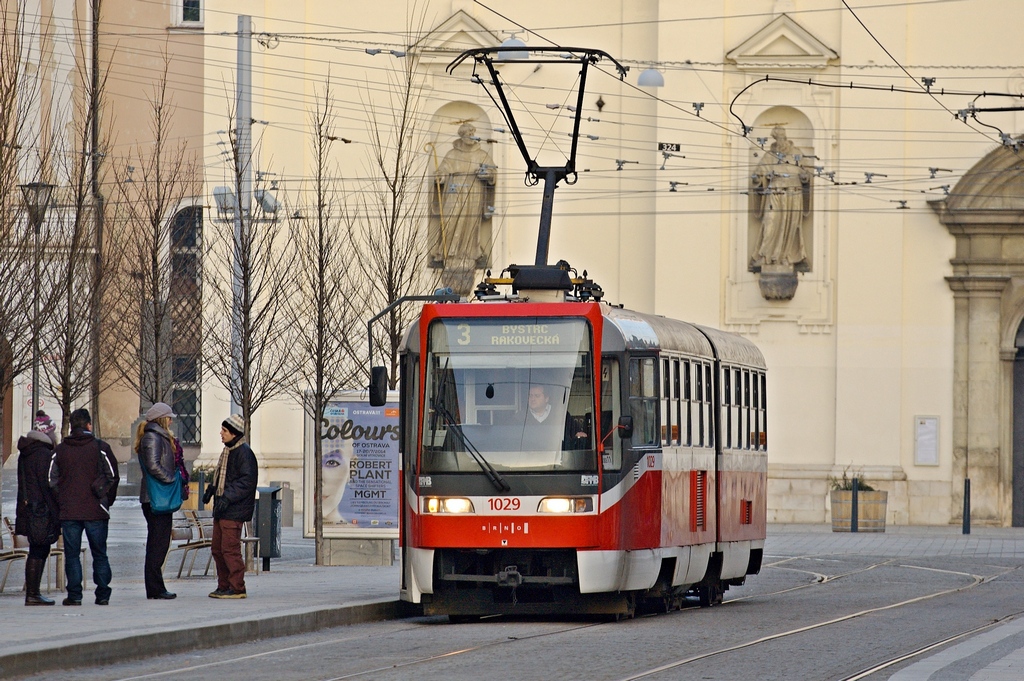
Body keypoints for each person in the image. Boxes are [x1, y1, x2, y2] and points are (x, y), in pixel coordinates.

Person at [48, 408, 118, 606]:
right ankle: (103, 594)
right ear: (89, 425)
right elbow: (112, 476)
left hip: (70, 511)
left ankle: (75, 595)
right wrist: (105, 499)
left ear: (71, 427)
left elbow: (51, 481)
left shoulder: (60, 450)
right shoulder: (100, 447)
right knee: (100, 553)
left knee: (72, 555)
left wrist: (62, 500)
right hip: (96, 510)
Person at [203, 413, 257, 599]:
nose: (221, 433)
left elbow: (246, 482)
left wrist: (227, 496)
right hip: (222, 508)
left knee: (230, 549)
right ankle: (224, 584)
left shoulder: (244, 453)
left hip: (233, 510)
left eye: (224, 430)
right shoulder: (228, 451)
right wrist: (212, 489)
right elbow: (223, 478)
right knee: (217, 549)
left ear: (234, 433)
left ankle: (237, 587)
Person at [430, 122, 497, 270]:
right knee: (450, 220)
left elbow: (493, 173)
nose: (471, 136)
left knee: (471, 223)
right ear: (462, 136)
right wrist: (440, 177)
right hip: (454, 191)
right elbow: (443, 170)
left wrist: (488, 175)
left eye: (472, 134)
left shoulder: (481, 155)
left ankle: (469, 253)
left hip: (475, 191)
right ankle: (446, 252)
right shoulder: (452, 154)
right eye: (467, 134)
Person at [135, 402, 183, 600]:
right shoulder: (152, 437)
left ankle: (156, 586)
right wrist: (171, 479)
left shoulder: (158, 436)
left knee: (160, 543)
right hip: (155, 498)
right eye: (169, 417)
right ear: (161, 419)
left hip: (158, 497)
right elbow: (153, 466)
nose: (171, 420)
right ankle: (155, 588)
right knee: (157, 543)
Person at [750, 126, 812, 271]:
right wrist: (761, 177)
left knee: (790, 226)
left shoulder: (797, 154)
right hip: (775, 192)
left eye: (782, 138)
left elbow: (807, 172)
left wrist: (805, 177)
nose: (781, 142)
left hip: (793, 193)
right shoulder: (769, 156)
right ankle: (765, 256)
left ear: (786, 138)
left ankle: (786, 256)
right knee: (770, 222)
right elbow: (757, 175)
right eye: (778, 139)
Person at [15, 415, 60, 605]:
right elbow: (48, 485)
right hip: (41, 509)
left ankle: (33, 592)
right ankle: (33, 593)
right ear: (47, 432)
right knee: (39, 550)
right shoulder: (43, 454)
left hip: (28, 507)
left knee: (37, 548)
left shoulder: (26, 452)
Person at [525, 384, 588, 449]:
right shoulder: (520, 417)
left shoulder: (561, 414)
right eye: (530, 396)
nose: (532, 399)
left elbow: (576, 433)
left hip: (556, 457)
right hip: (527, 457)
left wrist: (580, 437)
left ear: (546, 398)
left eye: (537, 396)